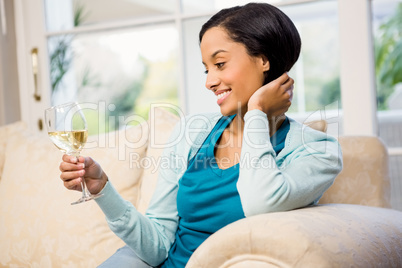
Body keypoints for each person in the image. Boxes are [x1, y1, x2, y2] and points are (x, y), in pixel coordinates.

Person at [59, 3, 342, 267]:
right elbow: (157, 244)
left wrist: (256, 111)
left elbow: (261, 203)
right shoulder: (190, 134)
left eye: (219, 64)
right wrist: (103, 190)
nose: (209, 82)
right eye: (206, 69)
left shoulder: (317, 150)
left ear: (263, 60)